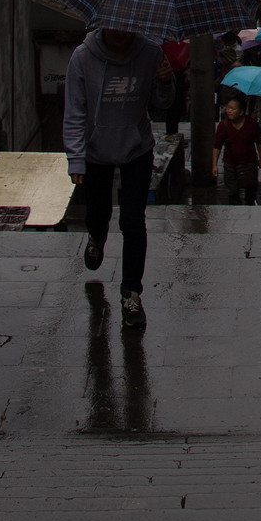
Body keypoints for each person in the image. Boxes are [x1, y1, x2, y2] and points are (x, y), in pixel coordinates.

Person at [63, 26, 173, 329]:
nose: (119, 33)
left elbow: (161, 104)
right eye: (113, 27)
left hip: (137, 148)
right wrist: (75, 158)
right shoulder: (83, 57)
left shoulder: (150, 53)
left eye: (126, 27)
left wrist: (166, 81)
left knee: (133, 221)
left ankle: (131, 293)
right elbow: (74, 110)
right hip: (95, 150)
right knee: (98, 213)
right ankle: (96, 237)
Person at [212, 93, 261, 204]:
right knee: (232, 193)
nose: (229, 111)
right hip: (230, 164)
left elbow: (259, 143)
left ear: (241, 111)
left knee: (250, 194)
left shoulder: (251, 123)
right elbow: (217, 146)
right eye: (228, 108)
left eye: (233, 108)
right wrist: (214, 165)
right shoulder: (223, 125)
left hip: (249, 164)